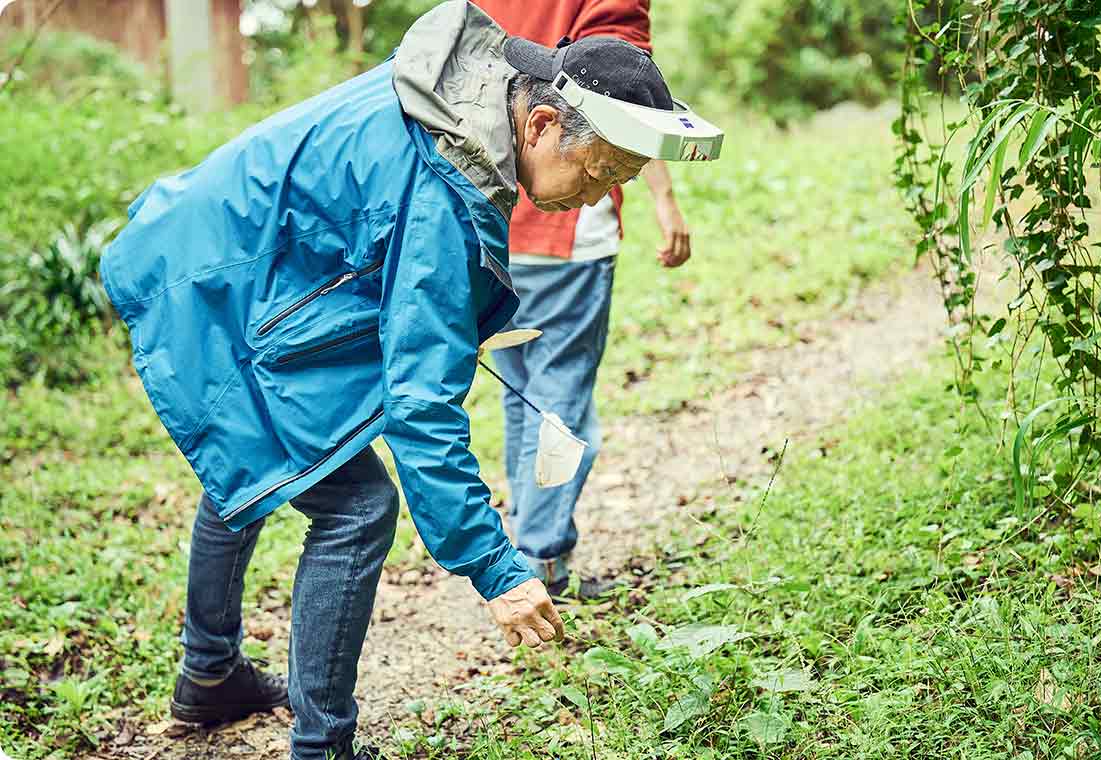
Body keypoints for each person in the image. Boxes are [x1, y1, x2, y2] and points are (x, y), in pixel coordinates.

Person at [99, 2, 718, 758]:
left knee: (252, 448)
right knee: (357, 507)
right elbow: (421, 409)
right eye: (598, 172)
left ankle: (210, 675)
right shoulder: (446, 190)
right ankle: (321, 746)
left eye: (619, 180)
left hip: (216, 256)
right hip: (207, 285)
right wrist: (495, 568)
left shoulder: (472, 92)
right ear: (542, 124)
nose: (595, 196)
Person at [471, 0, 692, 600]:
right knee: (560, 397)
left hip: (493, 209)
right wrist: (663, 196)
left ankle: (525, 547)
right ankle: (541, 558)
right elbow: (623, 104)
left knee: (522, 393)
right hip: (566, 224)